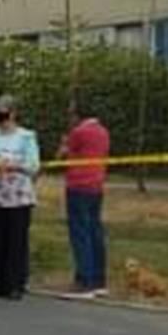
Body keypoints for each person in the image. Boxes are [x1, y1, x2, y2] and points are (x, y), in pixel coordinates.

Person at [0, 94, 41, 300]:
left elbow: (34, 165)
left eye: (5, 113)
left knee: (16, 240)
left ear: (14, 114)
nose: (2, 118)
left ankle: (15, 284)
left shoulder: (26, 137)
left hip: (18, 196)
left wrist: (14, 165)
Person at [61, 101, 111, 297]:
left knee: (80, 232)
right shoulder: (103, 131)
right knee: (94, 229)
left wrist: (64, 144)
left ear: (78, 115)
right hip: (96, 185)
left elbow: (65, 155)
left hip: (78, 184)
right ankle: (99, 279)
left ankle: (84, 280)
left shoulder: (78, 132)